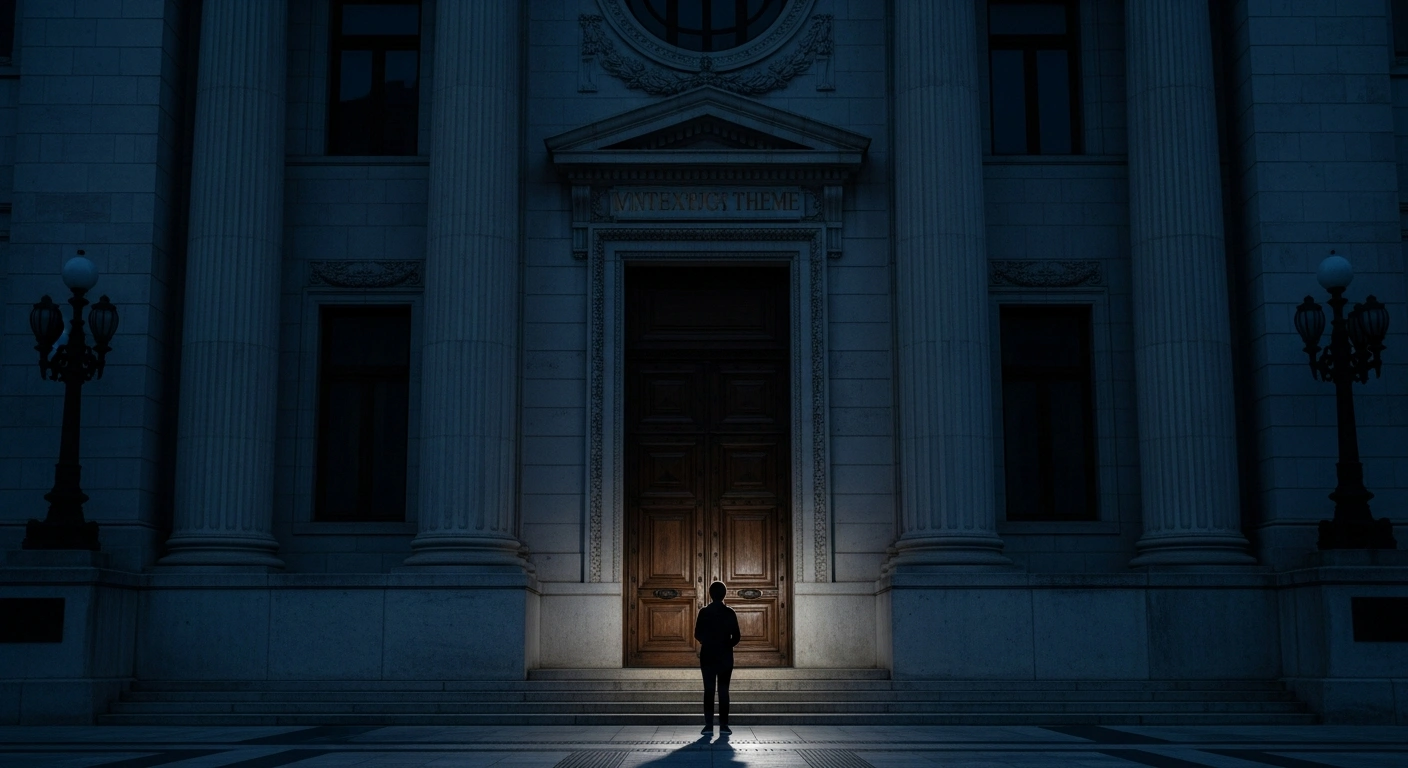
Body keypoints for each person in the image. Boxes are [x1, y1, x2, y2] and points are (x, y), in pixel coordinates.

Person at [694, 580, 741, 735]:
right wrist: (726, 645)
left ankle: (708, 726)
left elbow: (697, 634)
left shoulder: (704, 612)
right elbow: (737, 636)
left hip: (708, 655)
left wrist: (706, 642)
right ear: (724, 595)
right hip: (725, 656)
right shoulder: (730, 613)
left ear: (710, 594)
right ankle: (724, 725)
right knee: (723, 690)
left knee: (708, 690)